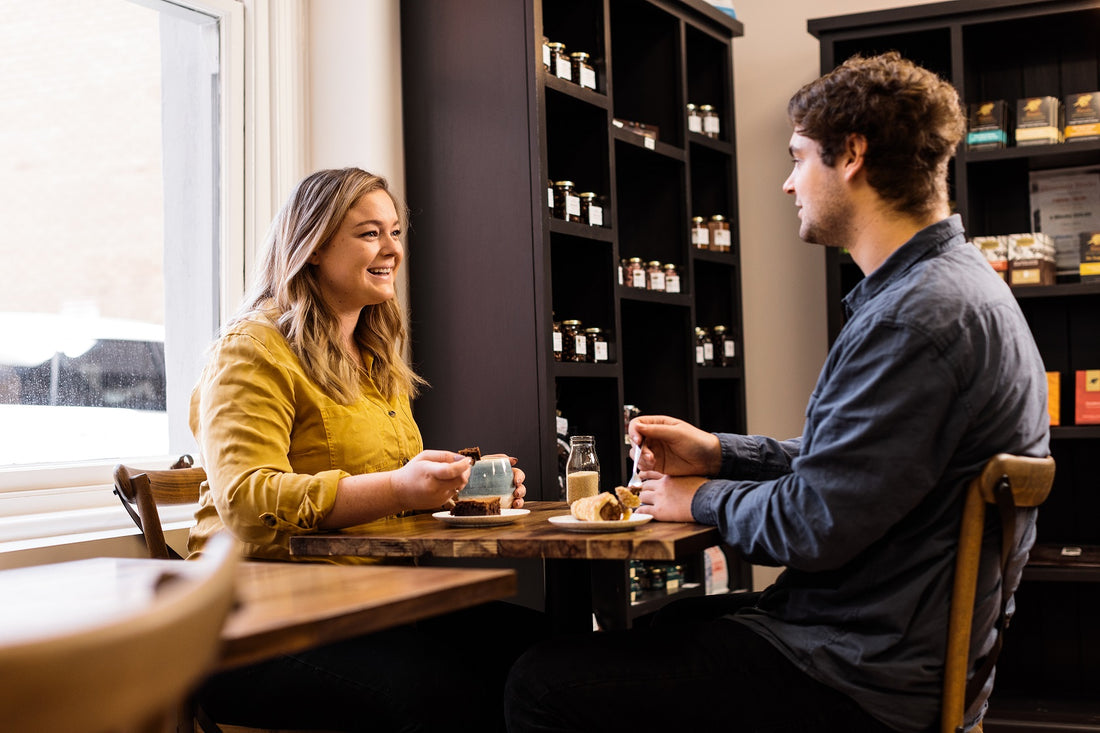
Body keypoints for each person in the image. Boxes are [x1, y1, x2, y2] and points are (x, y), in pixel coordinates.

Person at [504, 52, 1049, 733]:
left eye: (798, 158)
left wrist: (696, 496)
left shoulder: (917, 317)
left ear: (851, 154)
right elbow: (856, 467)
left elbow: (814, 522)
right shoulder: (951, 290)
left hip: (858, 676)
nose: (788, 184)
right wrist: (718, 452)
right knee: (667, 622)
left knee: (542, 684)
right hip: (891, 650)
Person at [188, 167, 531, 732]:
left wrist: (451, 492)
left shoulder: (373, 356)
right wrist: (400, 486)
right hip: (254, 627)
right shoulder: (252, 350)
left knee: (539, 658)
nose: (391, 249)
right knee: (445, 694)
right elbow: (247, 502)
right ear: (315, 246)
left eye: (395, 232)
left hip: (368, 602)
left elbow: (380, 494)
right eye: (370, 233)